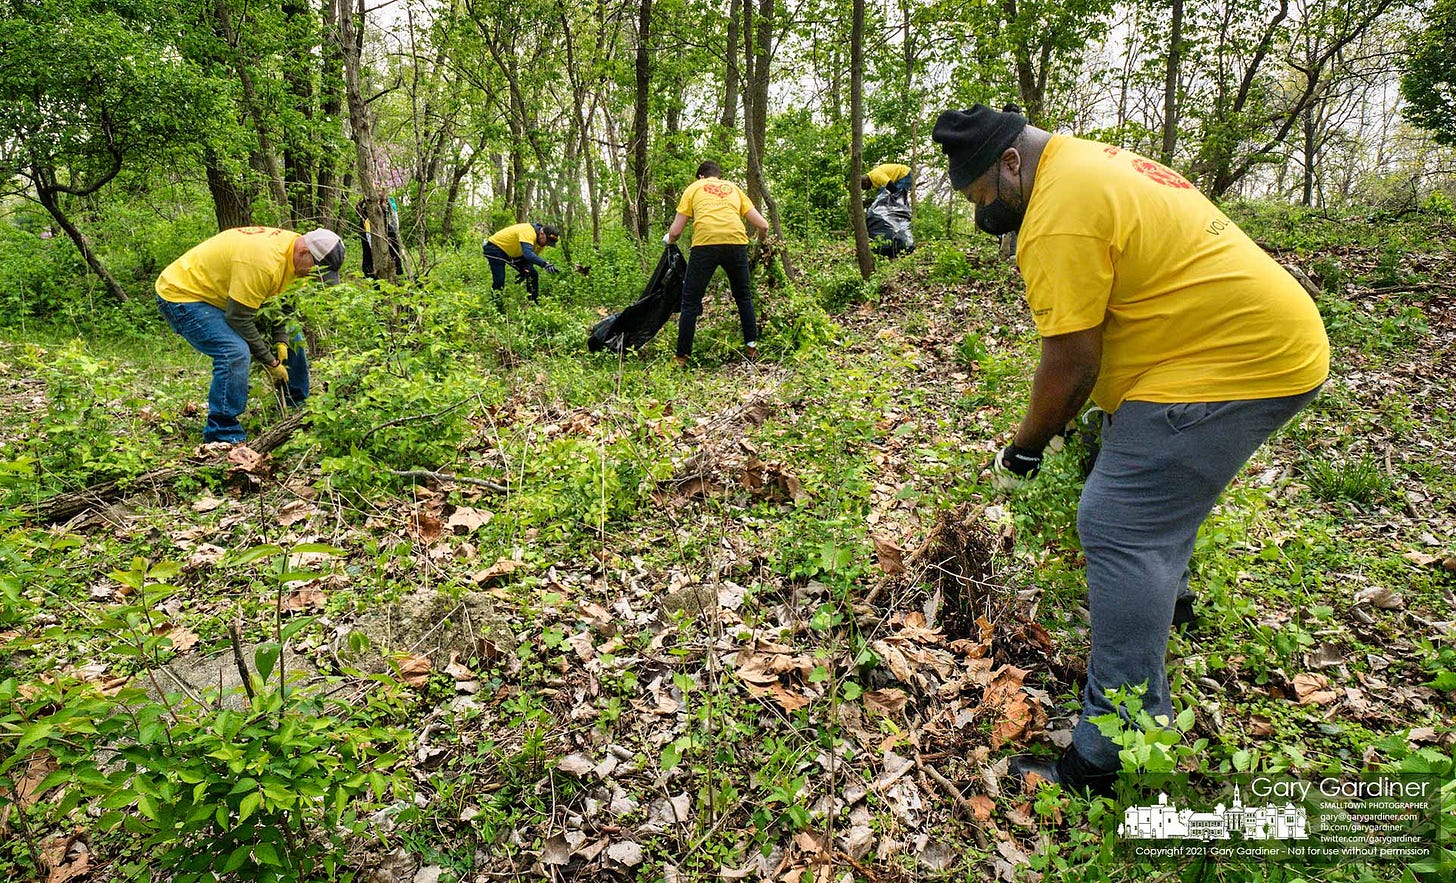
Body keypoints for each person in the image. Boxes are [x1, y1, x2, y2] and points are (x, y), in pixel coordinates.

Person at [932, 105, 1329, 793]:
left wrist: (1025, 447)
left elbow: (1073, 363)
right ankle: (1167, 597)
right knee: (1137, 475)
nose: (982, 216)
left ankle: (1112, 749)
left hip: (1233, 363)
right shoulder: (1090, 162)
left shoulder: (1058, 211)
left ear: (1010, 164)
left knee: (1118, 520)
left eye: (983, 198)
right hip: (1255, 342)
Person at [156, 226, 343, 444]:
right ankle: (222, 433)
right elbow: (239, 318)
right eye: (316, 271)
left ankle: (296, 409)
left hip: (227, 295)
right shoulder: (263, 262)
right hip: (183, 294)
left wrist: (281, 339)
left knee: (294, 336)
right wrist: (271, 362)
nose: (314, 277)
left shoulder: (297, 253)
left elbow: (282, 307)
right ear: (304, 253)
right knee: (234, 351)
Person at [664, 160, 770, 365]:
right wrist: (760, 244)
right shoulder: (734, 189)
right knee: (743, 296)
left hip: (705, 245)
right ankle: (751, 349)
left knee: (691, 301)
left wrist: (668, 240)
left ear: (701, 177)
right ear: (718, 176)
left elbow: (676, 231)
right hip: (736, 243)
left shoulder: (694, 188)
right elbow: (763, 225)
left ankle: (681, 357)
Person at [483, 221, 560, 304]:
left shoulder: (541, 243)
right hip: (495, 247)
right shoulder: (528, 232)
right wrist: (545, 264)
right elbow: (528, 254)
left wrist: (526, 269)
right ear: (541, 233)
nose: (546, 245)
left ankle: (533, 303)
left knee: (532, 274)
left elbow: (530, 258)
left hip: (511, 252)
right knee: (499, 279)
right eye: (547, 241)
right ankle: (496, 304)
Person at [357, 194, 404, 279]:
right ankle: (370, 274)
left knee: (392, 251)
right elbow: (359, 212)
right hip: (368, 234)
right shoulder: (366, 211)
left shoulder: (386, 210)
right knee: (368, 254)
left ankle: (396, 271)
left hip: (385, 234)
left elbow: (394, 224)